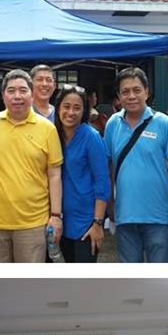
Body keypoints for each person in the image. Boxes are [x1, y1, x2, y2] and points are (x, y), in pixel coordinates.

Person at [0, 70, 64, 262]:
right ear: (3, 95)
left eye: (23, 90)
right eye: (11, 90)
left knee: (29, 285)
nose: (17, 96)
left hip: (32, 223)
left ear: (32, 95)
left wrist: (56, 215)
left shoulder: (47, 128)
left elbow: (54, 175)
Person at [103, 68, 168, 263]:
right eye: (125, 91)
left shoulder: (163, 122)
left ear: (147, 91)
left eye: (137, 90)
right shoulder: (113, 124)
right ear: (119, 96)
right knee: (131, 278)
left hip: (158, 213)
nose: (131, 96)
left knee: (160, 277)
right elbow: (109, 166)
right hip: (125, 213)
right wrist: (110, 203)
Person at [53, 85, 109, 262]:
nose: (71, 112)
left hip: (86, 223)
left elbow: (102, 182)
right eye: (66, 106)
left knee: (84, 282)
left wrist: (98, 223)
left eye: (77, 108)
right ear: (58, 107)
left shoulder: (91, 137)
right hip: (60, 221)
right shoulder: (52, 135)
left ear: (84, 111)